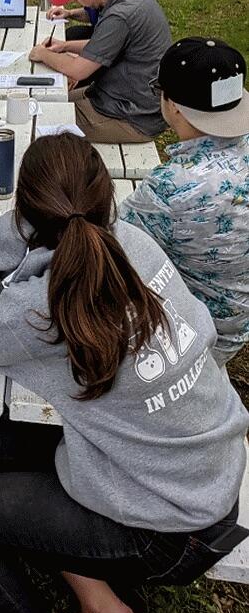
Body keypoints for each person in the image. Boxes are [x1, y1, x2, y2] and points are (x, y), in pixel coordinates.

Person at [0, 132, 248, 613]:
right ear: (108, 200)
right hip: (211, 474)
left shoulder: (44, 307)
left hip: (167, 528)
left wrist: (6, 236)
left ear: (26, 216)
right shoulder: (138, 246)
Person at [120, 36, 249, 366]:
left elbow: (109, 240)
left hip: (189, 333)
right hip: (239, 323)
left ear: (172, 104)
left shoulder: (172, 187)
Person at [29, 0, 172, 143]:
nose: (74, 0)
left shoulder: (120, 14)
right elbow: (105, 45)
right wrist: (64, 46)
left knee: (37, 120)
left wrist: (43, 54)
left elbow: (77, 70)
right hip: (124, 98)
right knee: (41, 103)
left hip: (133, 117)